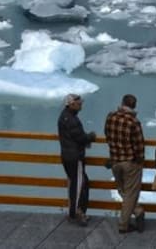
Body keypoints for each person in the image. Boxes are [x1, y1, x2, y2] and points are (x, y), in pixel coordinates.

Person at [104, 93, 146, 233]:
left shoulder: (111, 117)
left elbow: (107, 135)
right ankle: (124, 225)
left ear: (122, 103)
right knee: (130, 193)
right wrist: (140, 161)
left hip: (115, 160)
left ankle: (138, 211)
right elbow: (139, 145)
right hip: (130, 162)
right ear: (134, 106)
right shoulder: (133, 122)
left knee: (122, 190)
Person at [57, 92, 95, 226]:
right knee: (79, 185)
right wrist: (90, 137)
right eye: (79, 103)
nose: (81, 105)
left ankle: (75, 211)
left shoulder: (65, 116)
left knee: (77, 183)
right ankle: (77, 212)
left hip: (67, 155)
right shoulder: (71, 120)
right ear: (71, 104)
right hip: (75, 157)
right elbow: (80, 137)